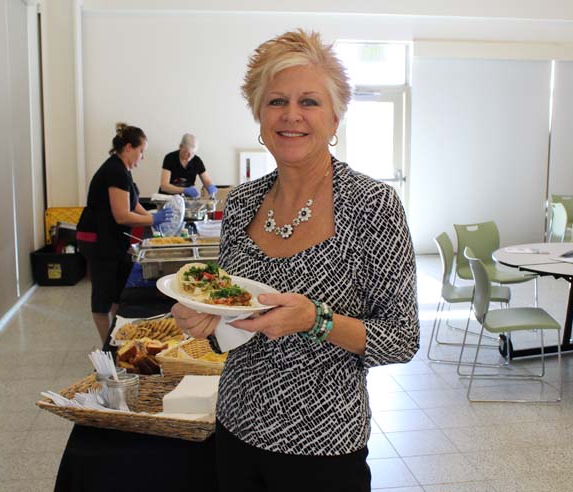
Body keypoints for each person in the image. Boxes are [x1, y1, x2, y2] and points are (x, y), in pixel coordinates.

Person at [172, 30, 418, 492]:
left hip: (324, 446)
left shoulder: (373, 206)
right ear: (259, 116)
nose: (291, 115)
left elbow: (402, 339)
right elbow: (232, 327)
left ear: (335, 115)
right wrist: (207, 322)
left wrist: (315, 319)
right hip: (237, 428)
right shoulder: (242, 202)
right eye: (276, 101)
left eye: (309, 101)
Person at [77, 123, 173, 342]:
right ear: (129, 147)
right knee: (102, 297)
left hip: (113, 240)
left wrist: (154, 217)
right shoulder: (114, 171)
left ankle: (119, 337)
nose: (142, 157)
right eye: (142, 152)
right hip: (99, 241)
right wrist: (152, 219)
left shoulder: (123, 171)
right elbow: (121, 214)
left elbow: (134, 204)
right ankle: (108, 347)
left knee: (118, 292)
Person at [159, 133, 218, 198]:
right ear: (180, 147)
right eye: (187, 153)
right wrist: (184, 190)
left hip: (186, 200)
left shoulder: (197, 161)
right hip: (167, 198)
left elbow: (206, 181)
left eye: (193, 153)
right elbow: (164, 186)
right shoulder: (170, 158)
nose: (189, 157)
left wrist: (210, 187)